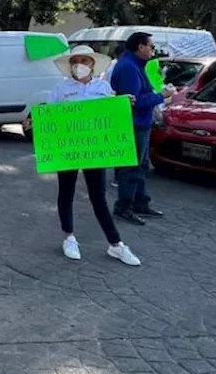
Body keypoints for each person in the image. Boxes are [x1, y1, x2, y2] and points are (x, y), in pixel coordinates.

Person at [36, 45, 141, 265]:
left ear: (92, 63)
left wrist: (124, 104)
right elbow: (49, 118)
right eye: (75, 61)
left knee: (98, 196)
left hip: (95, 152)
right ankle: (69, 237)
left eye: (84, 60)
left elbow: (112, 116)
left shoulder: (103, 88)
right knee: (66, 192)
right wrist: (34, 122)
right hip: (68, 152)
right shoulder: (60, 90)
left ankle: (116, 244)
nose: (79, 65)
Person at [109, 32, 172, 225]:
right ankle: (124, 207)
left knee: (141, 165)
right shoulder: (129, 67)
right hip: (134, 124)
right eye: (151, 46)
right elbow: (134, 102)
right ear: (140, 47)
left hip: (140, 123)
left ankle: (140, 202)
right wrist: (162, 95)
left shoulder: (134, 65)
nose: (153, 50)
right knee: (131, 167)